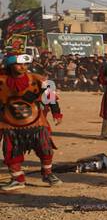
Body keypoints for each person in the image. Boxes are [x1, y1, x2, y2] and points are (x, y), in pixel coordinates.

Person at [1, 49, 63, 192]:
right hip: (9, 122)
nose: (23, 67)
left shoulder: (36, 79)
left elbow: (51, 95)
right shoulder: (2, 79)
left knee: (44, 147)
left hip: (35, 120)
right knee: (11, 151)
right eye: (19, 64)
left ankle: (47, 173)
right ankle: (17, 179)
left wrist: (56, 113)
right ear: (10, 65)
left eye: (25, 64)